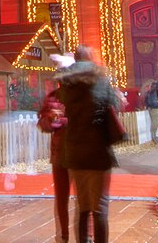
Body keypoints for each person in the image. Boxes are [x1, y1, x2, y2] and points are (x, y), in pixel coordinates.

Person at [56, 46, 122, 243]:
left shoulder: (66, 82)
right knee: (100, 206)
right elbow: (113, 106)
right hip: (98, 150)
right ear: (91, 58)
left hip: (75, 151)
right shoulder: (101, 79)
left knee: (83, 206)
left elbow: (62, 107)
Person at [39, 53, 75, 243]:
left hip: (79, 153)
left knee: (85, 199)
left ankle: (88, 236)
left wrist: (63, 119)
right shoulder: (53, 97)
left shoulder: (82, 97)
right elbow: (42, 123)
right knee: (61, 199)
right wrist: (50, 120)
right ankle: (61, 237)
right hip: (60, 153)